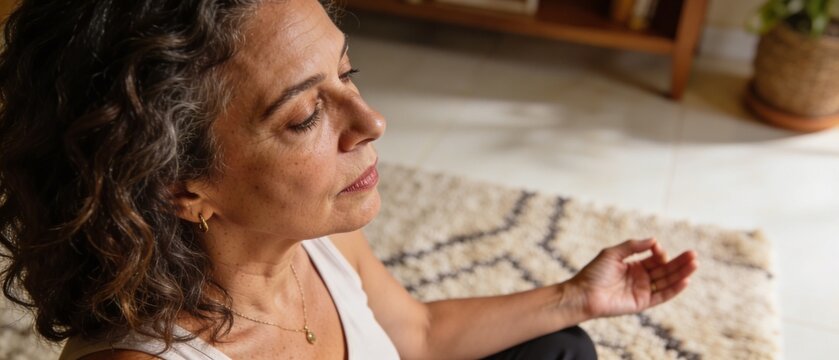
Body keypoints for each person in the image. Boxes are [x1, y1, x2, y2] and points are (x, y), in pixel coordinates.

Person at [0, 0, 698, 359]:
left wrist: (578, 296)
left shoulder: (309, 235)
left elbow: (416, 334)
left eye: (346, 73)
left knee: (558, 347)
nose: (372, 121)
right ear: (179, 186)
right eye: (305, 115)